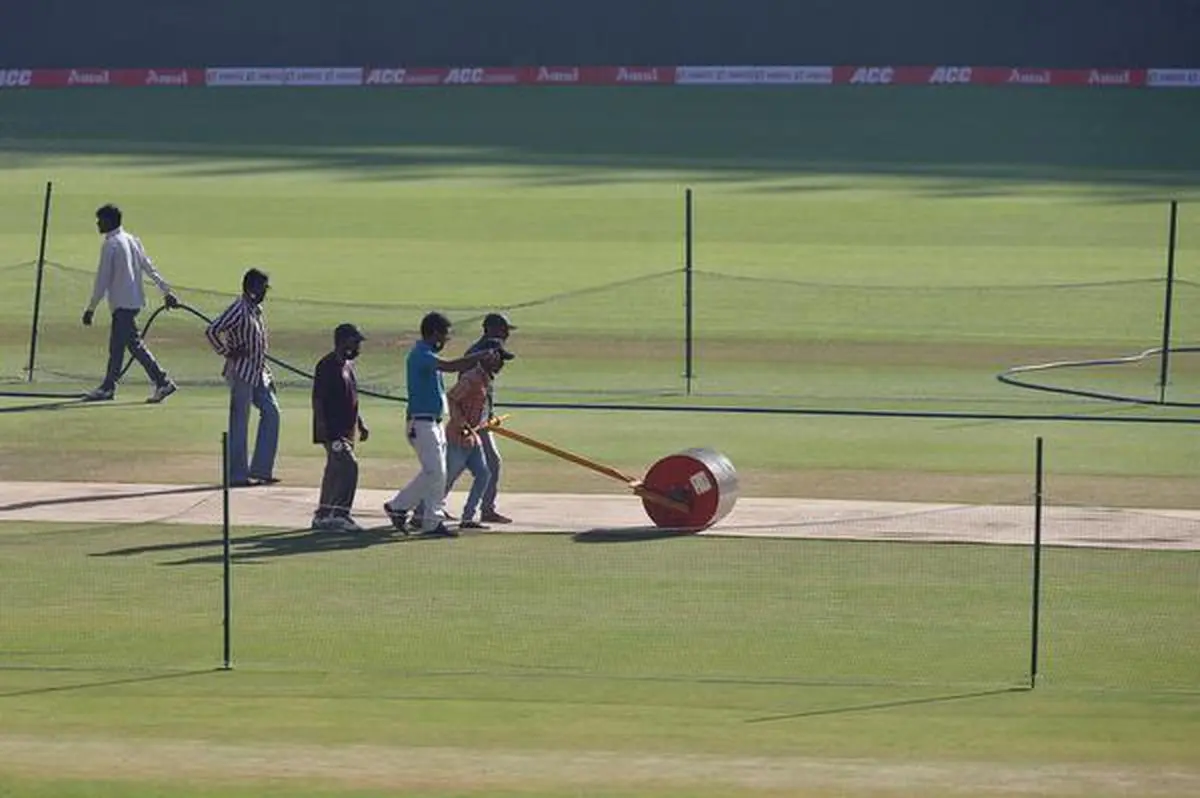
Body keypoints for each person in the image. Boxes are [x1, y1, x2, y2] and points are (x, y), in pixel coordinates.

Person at [383, 312, 500, 538]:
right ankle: (428, 520)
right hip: (422, 423)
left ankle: (399, 507)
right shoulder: (421, 354)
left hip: (432, 423)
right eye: (443, 335)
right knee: (436, 472)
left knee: (435, 472)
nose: (445, 340)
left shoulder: (425, 354)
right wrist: (480, 356)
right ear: (434, 333)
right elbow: (451, 366)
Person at [82, 204, 179, 403]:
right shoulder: (131, 240)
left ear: (110, 221)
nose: (98, 224)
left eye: (101, 220)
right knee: (117, 346)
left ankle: (163, 381)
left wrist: (91, 309)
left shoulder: (111, 244)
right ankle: (108, 386)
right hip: (133, 302)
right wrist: (166, 291)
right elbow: (150, 268)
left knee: (134, 346)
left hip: (122, 304)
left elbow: (102, 280)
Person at [204, 268, 280, 488]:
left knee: (272, 412)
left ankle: (261, 469)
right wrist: (226, 351)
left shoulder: (256, 310)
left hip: (258, 372)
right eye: (263, 287)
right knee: (239, 423)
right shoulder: (238, 309)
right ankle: (237, 474)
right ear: (252, 287)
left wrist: (267, 372)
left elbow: (259, 345)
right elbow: (212, 330)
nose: (265, 291)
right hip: (241, 373)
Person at [440, 337, 515, 530]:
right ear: (488, 358)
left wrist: (487, 420)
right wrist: (462, 424)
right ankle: (422, 511)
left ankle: (468, 517)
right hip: (459, 436)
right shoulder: (472, 378)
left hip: (472, 437)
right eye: (500, 359)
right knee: (449, 476)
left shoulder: (485, 379)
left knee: (484, 474)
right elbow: (452, 397)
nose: (502, 364)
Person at [311, 323, 370, 532]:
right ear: (343, 341)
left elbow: (351, 397)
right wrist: (322, 427)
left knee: (334, 471)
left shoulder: (348, 365)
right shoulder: (327, 365)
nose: (357, 347)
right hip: (333, 430)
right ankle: (340, 513)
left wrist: (360, 423)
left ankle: (323, 515)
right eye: (355, 342)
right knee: (349, 467)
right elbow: (318, 399)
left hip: (347, 430)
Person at [466, 312, 518, 524]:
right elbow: (467, 390)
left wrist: (490, 414)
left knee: (477, 465)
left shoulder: (488, 351)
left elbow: (485, 391)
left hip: (481, 420)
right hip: (471, 422)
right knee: (459, 466)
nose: (507, 334)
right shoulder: (480, 354)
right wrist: (474, 420)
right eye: (504, 329)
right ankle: (485, 509)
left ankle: (427, 507)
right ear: (492, 329)